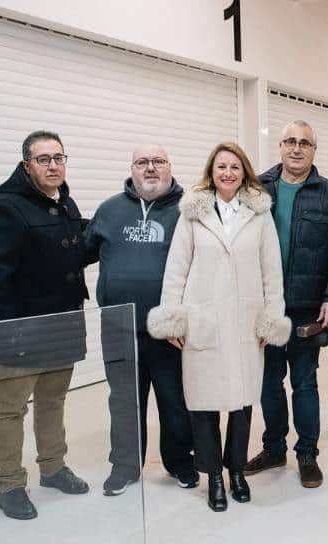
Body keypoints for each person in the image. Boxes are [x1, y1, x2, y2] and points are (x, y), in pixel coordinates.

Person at [147, 142, 290, 512]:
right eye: (221, 167)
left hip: (245, 321)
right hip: (203, 319)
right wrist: (173, 316)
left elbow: (272, 271)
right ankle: (213, 476)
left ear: (245, 173)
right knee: (204, 404)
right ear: (211, 172)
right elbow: (176, 268)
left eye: (235, 167)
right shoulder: (193, 213)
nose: (228, 173)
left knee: (242, 403)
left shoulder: (259, 214)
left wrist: (271, 318)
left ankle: (237, 471)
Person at [0, 130, 90, 520]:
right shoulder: (5, 210)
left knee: (53, 401)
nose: (54, 165)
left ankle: (53, 468)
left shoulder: (63, 203)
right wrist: (11, 332)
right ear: (27, 166)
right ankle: (10, 484)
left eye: (59, 157)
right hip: (23, 331)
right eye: (44, 159)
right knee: (9, 409)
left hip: (62, 325)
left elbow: (72, 248)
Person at [244, 120, 328, 488]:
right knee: (268, 383)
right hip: (265, 308)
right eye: (290, 141)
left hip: (308, 308)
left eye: (304, 143)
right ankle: (274, 447)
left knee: (305, 383)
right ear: (280, 146)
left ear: (313, 150)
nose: (297, 148)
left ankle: (307, 454)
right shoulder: (257, 188)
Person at [84, 145, 197, 496]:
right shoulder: (109, 210)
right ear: (132, 169)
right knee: (124, 400)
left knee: (173, 398)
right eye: (142, 162)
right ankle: (125, 466)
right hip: (118, 327)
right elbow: (81, 254)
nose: (150, 168)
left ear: (170, 167)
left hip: (167, 329)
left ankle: (180, 461)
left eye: (158, 161)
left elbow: (203, 268)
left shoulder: (187, 210)